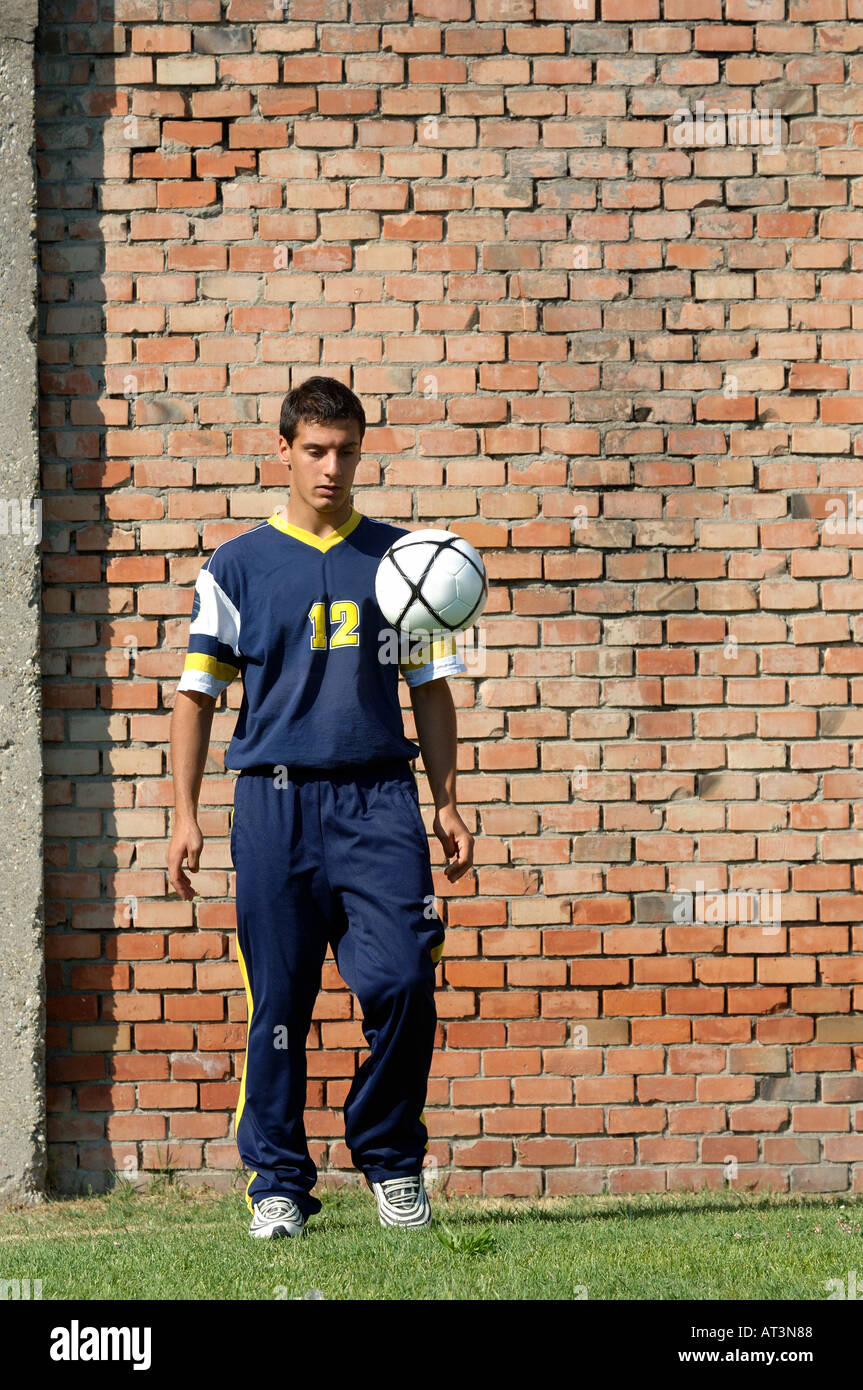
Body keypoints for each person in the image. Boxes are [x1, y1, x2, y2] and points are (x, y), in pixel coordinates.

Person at [166, 376, 474, 1239]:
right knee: (279, 1008)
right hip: (273, 806)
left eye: (346, 451)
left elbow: (432, 688)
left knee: (405, 981)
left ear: (360, 452)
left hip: (379, 801)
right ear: (285, 452)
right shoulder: (235, 566)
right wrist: (184, 815)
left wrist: (448, 800)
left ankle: (389, 1160)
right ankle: (277, 1183)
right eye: (315, 451)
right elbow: (195, 698)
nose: (331, 467)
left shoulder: (405, 561)